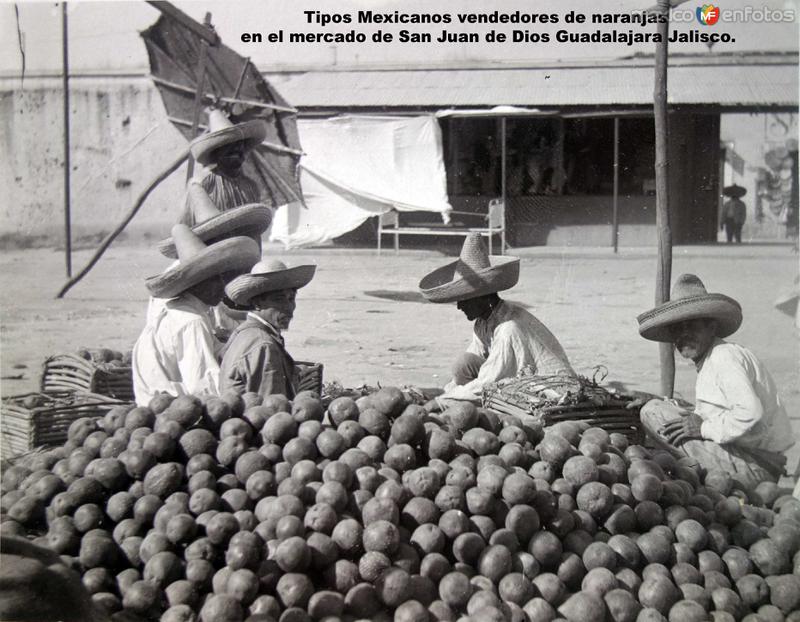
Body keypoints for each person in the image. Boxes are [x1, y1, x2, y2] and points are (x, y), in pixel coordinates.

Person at [637, 273, 795, 492]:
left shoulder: (724, 357)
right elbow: (716, 413)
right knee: (661, 407)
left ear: (711, 327)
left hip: (754, 467)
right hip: (752, 462)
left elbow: (750, 412)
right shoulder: (711, 360)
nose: (684, 335)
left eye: (692, 326)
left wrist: (702, 428)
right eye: (677, 329)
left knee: (653, 412)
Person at [418, 233, 574, 409]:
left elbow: (488, 381)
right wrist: (448, 392)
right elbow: (471, 364)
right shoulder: (483, 323)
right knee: (463, 364)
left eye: (464, 300)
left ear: (482, 297)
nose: (459, 307)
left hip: (552, 392)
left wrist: (444, 401)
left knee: (484, 398)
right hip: (514, 378)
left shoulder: (509, 328)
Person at [132, 225, 260, 406]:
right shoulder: (192, 321)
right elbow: (204, 386)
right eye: (215, 281)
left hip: (158, 399)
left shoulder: (181, 309)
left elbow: (218, 350)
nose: (222, 288)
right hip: (165, 408)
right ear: (197, 284)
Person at [161, 179, 272, 339]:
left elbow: (221, 314)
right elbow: (213, 320)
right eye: (222, 239)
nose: (228, 243)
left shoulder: (213, 269)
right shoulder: (183, 276)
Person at [219, 258, 316, 399]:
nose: (289, 307)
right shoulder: (264, 345)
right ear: (257, 302)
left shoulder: (244, 332)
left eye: (291, 298)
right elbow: (271, 408)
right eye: (279, 299)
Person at [180, 108, 267, 224]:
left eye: (240, 146)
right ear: (216, 152)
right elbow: (186, 226)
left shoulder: (251, 187)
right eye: (229, 147)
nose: (237, 150)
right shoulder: (202, 184)